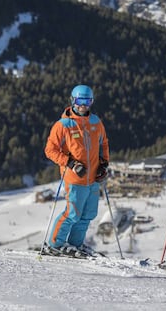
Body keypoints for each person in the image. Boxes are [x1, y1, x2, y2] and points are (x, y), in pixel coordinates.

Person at [44, 84, 109, 256]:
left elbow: (103, 144)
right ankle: (54, 244)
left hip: (93, 178)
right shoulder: (63, 125)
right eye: (80, 100)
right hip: (74, 178)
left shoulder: (95, 122)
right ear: (73, 100)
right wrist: (70, 163)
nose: (83, 105)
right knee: (72, 213)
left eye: (87, 101)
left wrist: (104, 163)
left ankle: (75, 244)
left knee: (88, 215)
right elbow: (50, 150)